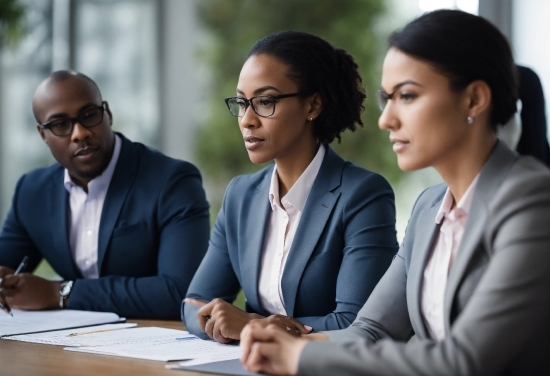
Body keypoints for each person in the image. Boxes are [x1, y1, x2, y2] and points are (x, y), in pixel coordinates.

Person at [240, 10, 550, 376]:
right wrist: (285, 343)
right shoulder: (429, 207)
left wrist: (299, 357)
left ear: (473, 100)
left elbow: (465, 361)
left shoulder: (533, 200)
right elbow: (373, 330)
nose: (386, 119)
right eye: (387, 98)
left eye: (407, 95)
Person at [182, 31, 398, 343]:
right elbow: (195, 303)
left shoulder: (362, 195)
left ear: (313, 105)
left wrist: (251, 326)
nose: (247, 120)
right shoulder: (240, 196)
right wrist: (234, 323)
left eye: (265, 101)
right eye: (242, 103)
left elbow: (358, 323)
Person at [0, 70, 210, 319]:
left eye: (89, 115)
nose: (79, 133)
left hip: (154, 343)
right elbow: (7, 263)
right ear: (43, 134)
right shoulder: (32, 191)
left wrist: (61, 293)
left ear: (107, 114)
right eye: (60, 125)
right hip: (68, 344)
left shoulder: (172, 181)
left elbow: (181, 292)